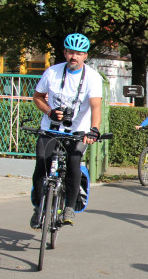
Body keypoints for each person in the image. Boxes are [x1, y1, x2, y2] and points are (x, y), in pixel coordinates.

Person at [30, 33, 103, 228]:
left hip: (77, 131)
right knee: (41, 163)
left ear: (85, 56)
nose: (74, 57)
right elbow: (37, 97)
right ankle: (38, 206)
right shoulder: (52, 72)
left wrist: (94, 130)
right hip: (50, 128)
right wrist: (49, 112)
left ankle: (69, 207)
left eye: (78, 54)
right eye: (71, 52)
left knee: (73, 162)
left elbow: (95, 107)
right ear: (65, 53)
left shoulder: (93, 78)